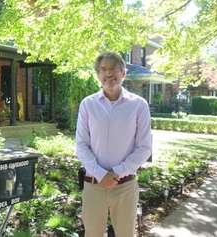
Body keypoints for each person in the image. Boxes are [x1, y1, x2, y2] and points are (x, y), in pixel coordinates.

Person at [76, 52, 152, 237]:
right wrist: (101, 174)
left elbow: (144, 147)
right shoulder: (88, 104)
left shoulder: (139, 105)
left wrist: (117, 173)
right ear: (98, 74)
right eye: (103, 69)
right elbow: (81, 145)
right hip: (94, 185)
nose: (109, 74)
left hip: (125, 186)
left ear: (123, 73)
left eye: (114, 69)